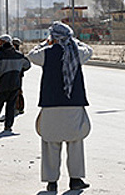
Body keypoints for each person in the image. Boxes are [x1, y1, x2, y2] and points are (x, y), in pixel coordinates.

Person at [27, 21, 93, 192]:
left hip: (51, 105)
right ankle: (76, 179)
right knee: (75, 142)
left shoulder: (46, 53)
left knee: (51, 143)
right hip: (74, 103)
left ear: (52, 37)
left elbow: (31, 55)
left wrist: (46, 43)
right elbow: (89, 50)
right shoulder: (77, 52)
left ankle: (52, 181)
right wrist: (75, 41)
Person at [0, 34, 31, 133]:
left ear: (4, 42)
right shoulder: (18, 55)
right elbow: (27, 65)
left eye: (1, 42)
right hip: (15, 85)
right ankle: (8, 126)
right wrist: (18, 70)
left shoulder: (0, 55)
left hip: (2, 85)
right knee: (10, 107)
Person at [12, 37, 26, 115]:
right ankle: (20, 107)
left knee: (17, 91)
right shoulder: (20, 54)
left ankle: (18, 107)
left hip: (17, 74)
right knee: (19, 91)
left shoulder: (17, 54)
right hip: (19, 74)